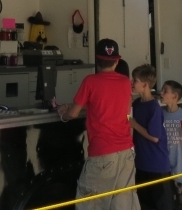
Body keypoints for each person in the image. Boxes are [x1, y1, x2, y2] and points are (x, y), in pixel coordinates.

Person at [57, 39, 139, 210]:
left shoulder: (90, 81)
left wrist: (63, 113)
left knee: (91, 203)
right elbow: (118, 106)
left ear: (97, 60)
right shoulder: (125, 83)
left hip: (103, 153)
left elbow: (73, 113)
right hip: (126, 152)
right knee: (123, 203)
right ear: (116, 61)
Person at [131, 65, 172, 210]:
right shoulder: (136, 104)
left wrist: (134, 125)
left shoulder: (153, 107)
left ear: (145, 84)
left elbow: (155, 137)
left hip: (156, 165)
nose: (132, 83)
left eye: (135, 80)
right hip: (141, 163)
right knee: (145, 204)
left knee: (161, 204)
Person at [160, 80, 182, 210]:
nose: (161, 93)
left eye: (165, 91)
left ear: (175, 96)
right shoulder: (161, 114)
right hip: (165, 167)